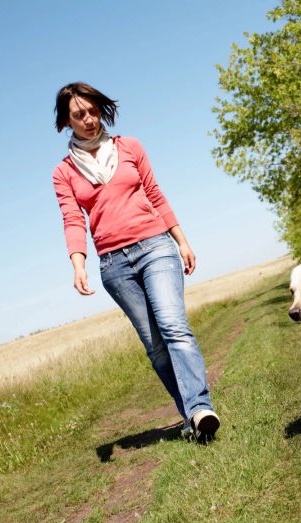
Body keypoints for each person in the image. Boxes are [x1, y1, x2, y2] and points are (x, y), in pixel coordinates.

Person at [51, 82, 220, 442]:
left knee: (173, 325)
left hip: (155, 245)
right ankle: (192, 416)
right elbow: (72, 219)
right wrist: (78, 264)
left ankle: (202, 407)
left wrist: (182, 240)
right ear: (66, 122)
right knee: (155, 345)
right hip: (114, 265)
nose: (89, 119)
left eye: (93, 111)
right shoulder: (63, 172)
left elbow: (155, 194)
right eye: (79, 115)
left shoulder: (130, 147)